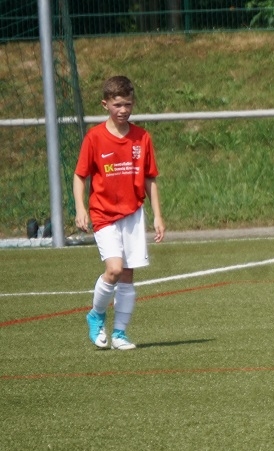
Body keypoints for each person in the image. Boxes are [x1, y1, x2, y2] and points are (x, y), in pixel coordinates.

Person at [73, 75, 164, 350]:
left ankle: (120, 334)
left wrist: (158, 215)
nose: (123, 110)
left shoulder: (142, 137)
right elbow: (80, 176)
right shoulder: (95, 137)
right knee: (113, 270)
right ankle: (96, 314)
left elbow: (150, 178)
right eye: (117, 105)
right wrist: (80, 208)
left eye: (128, 104)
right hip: (103, 213)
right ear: (105, 105)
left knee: (127, 274)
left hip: (133, 213)